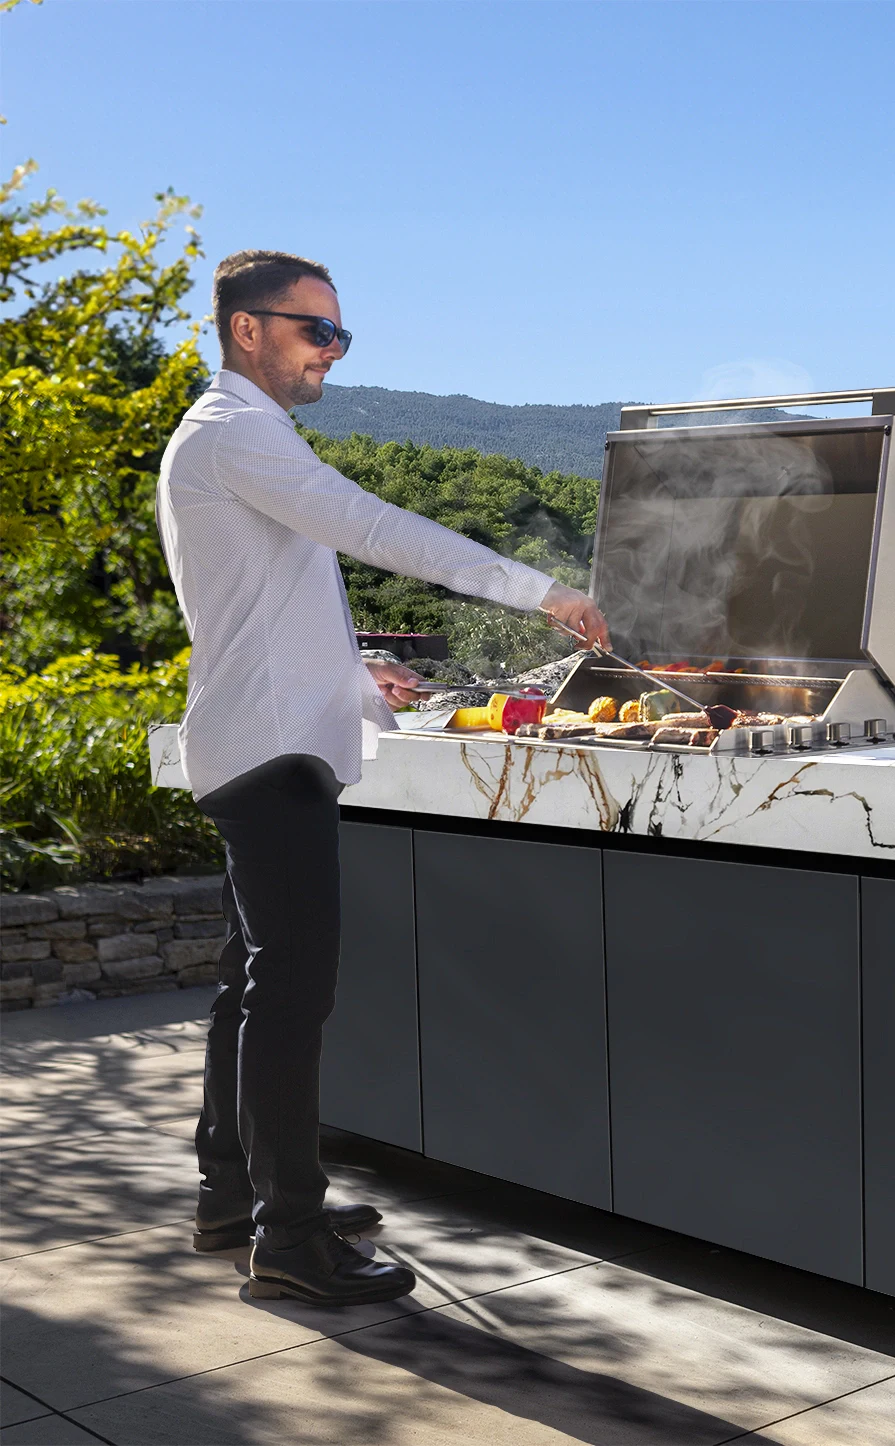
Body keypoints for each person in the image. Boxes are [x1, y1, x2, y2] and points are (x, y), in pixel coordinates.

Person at [156, 250, 608, 1307]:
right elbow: (371, 528)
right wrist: (543, 592)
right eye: (316, 331)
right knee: (288, 994)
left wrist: (358, 671)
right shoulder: (233, 435)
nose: (333, 352)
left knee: (250, 985)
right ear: (246, 331)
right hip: (271, 756)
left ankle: (241, 1196)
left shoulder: (242, 441)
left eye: (341, 334)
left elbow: (261, 612)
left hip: (269, 737)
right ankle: (291, 1241)